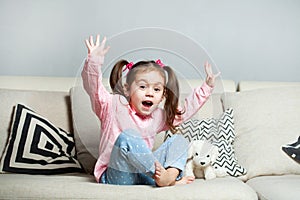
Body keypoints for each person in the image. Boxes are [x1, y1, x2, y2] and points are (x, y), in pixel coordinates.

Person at [81, 34, 220, 187]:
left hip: (144, 175)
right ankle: (167, 180)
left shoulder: (158, 116)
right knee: (129, 135)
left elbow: (184, 112)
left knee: (179, 140)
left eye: (156, 89)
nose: (149, 93)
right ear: (127, 90)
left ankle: (170, 176)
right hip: (118, 174)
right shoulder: (112, 106)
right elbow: (93, 88)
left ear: (162, 96)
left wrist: (207, 87)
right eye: (142, 87)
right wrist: (94, 62)